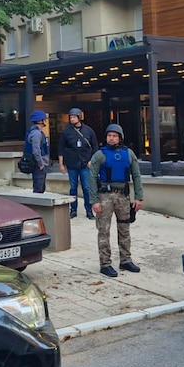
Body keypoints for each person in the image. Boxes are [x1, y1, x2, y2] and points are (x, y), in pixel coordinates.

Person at [87, 124, 144, 278]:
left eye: (115, 136)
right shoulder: (99, 155)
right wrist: (94, 201)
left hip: (123, 196)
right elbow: (91, 178)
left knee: (125, 229)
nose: (111, 138)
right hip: (105, 196)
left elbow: (137, 175)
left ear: (120, 138)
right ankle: (105, 263)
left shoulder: (129, 154)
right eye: (109, 136)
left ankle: (126, 260)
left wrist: (139, 197)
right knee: (104, 230)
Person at [57, 107, 98, 219]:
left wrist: (92, 161)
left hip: (85, 163)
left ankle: (89, 210)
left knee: (86, 187)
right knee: (73, 187)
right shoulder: (66, 132)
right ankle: (73, 209)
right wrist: (61, 164)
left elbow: (95, 147)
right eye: (71, 117)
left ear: (79, 117)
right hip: (72, 163)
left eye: (74, 117)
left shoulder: (88, 131)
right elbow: (61, 148)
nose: (72, 119)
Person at [26, 110, 50, 193]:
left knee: (39, 186)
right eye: (44, 119)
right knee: (39, 188)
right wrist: (41, 164)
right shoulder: (37, 134)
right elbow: (36, 151)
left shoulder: (34, 132)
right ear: (40, 121)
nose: (45, 121)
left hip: (38, 163)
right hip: (38, 164)